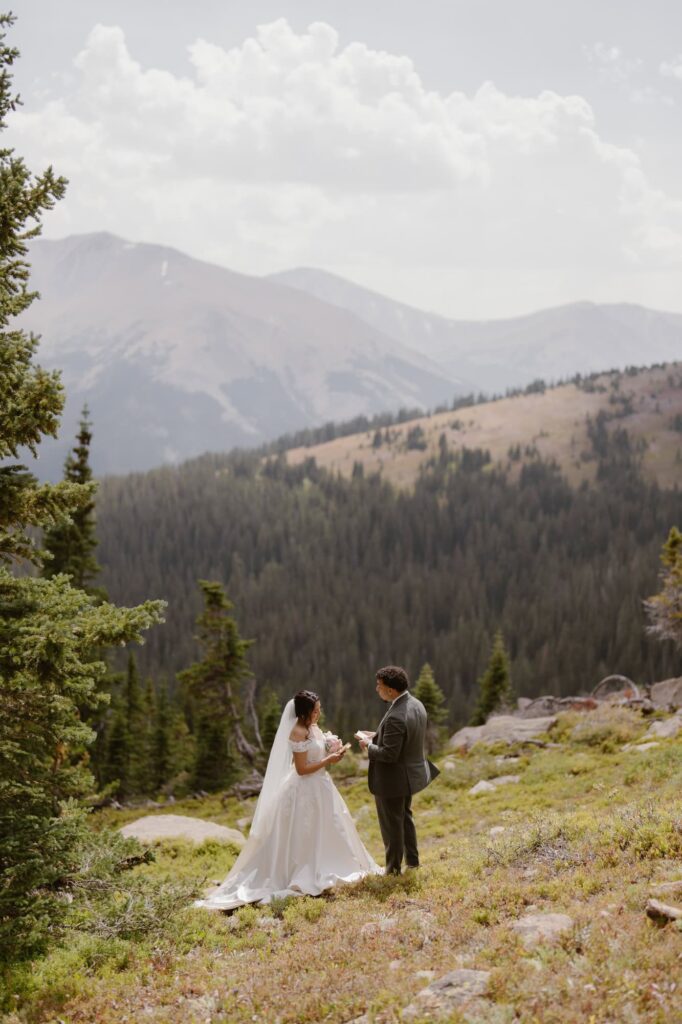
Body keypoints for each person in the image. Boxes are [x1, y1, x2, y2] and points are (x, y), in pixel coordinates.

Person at [195, 689, 381, 910]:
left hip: (322, 786)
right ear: (304, 712)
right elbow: (302, 769)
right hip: (304, 789)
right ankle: (302, 870)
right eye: (315, 710)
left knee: (331, 825)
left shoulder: (313, 728)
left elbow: (317, 756)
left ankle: (333, 863)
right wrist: (328, 760)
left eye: (320, 709)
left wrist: (333, 753)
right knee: (304, 831)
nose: (319, 713)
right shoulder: (298, 732)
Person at [357, 665, 440, 875]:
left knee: (391, 825)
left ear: (391, 690)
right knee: (405, 817)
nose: (377, 689)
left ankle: (393, 869)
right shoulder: (415, 704)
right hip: (410, 775)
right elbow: (404, 736)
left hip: (393, 780)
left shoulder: (395, 715)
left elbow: (388, 755)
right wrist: (376, 735)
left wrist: (368, 745)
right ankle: (412, 861)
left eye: (379, 686)